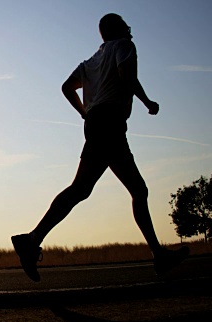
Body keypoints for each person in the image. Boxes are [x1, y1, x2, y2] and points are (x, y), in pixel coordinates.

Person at [11, 13, 189, 282]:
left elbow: (66, 87)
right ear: (119, 30)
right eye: (126, 27)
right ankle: (159, 256)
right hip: (110, 124)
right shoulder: (124, 47)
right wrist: (147, 101)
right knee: (131, 190)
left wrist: (84, 112)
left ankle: (32, 240)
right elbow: (126, 76)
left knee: (83, 189)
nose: (130, 32)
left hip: (97, 123)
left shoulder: (91, 62)